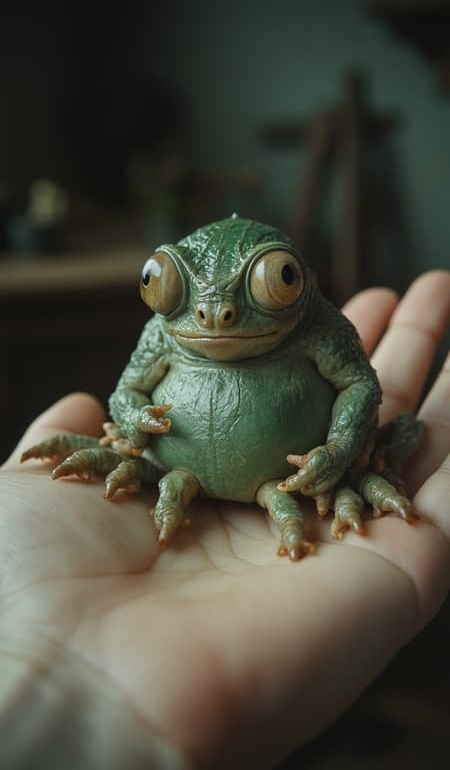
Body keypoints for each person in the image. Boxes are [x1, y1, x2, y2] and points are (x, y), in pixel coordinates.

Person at [0, 271, 448, 770]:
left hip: (301, 479)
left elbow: (360, 385)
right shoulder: (165, 329)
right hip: (171, 472)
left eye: (277, 281)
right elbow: (126, 396)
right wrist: (133, 422)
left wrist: (343, 449)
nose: (217, 314)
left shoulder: (318, 321)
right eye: (164, 284)